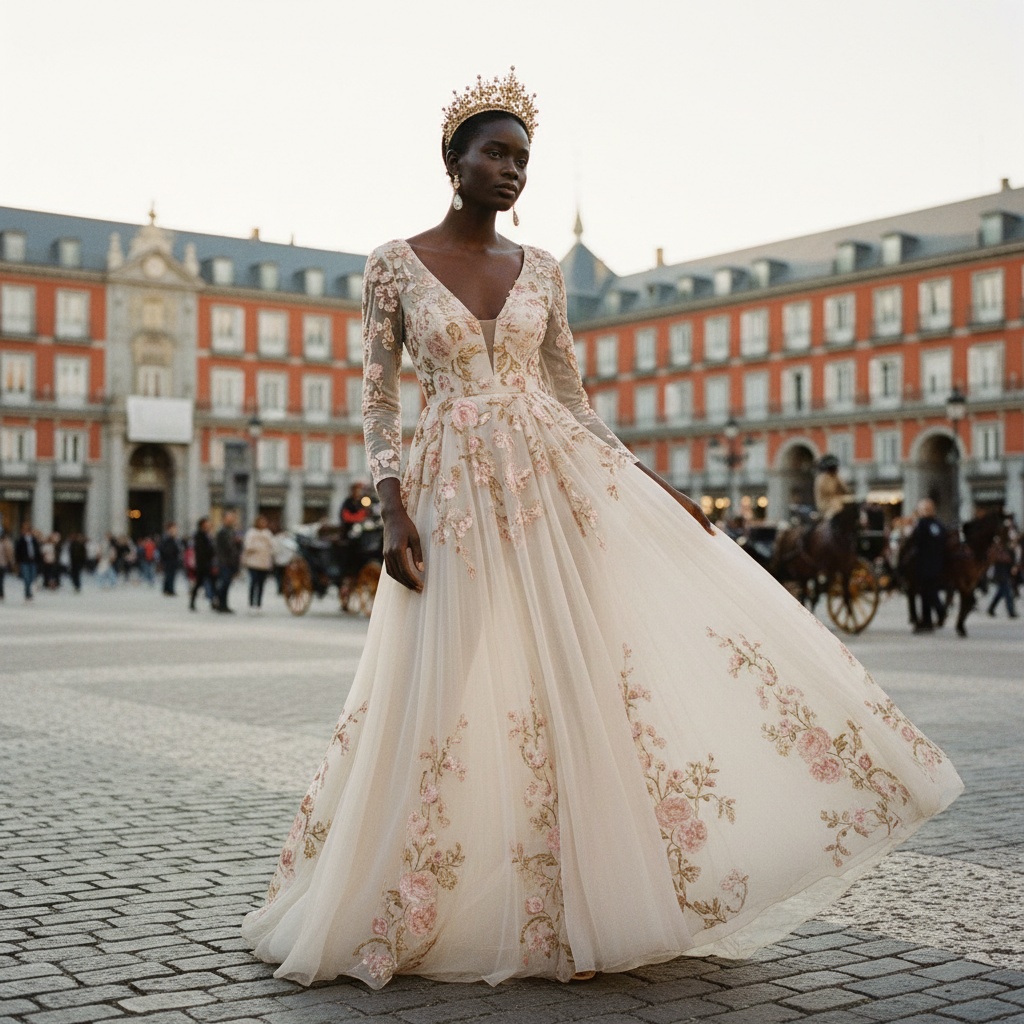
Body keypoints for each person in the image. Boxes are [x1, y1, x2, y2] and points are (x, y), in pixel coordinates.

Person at [241, 70, 962, 990]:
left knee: (577, 680)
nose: (511, 171)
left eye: (523, 160)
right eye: (495, 153)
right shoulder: (393, 264)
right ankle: (394, 896)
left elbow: (571, 398)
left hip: (553, 487)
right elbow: (379, 400)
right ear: (452, 161)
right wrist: (390, 508)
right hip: (451, 489)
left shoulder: (541, 269)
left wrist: (652, 482)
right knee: (437, 686)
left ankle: (595, 895)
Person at [907, 498, 947, 633]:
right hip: (937, 564)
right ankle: (928, 621)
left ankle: (932, 617)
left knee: (926, 594)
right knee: (931, 592)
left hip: (923, 565)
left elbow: (915, 542)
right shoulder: (938, 525)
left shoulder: (922, 524)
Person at [242, 514, 274, 613]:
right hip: (253, 562)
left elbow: (272, 546)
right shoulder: (251, 533)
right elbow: (248, 546)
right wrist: (259, 546)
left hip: (264, 562)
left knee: (261, 584)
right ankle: (251, 603)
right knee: (253, 582)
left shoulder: (268, 533)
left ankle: (259, 604)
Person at [214, 510, 241, 613]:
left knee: (227, 584)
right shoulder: (222, 531)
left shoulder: (232, 531)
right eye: (229, 518)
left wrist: (238, 543)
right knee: (224, 583)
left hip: (231, 562)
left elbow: (235, 547)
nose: (231, 520)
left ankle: (224, 604)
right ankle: (219, 602)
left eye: (232, 518)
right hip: (224, 562)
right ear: (224, 519)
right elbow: (222, 547)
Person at [986, 530, 1018, 618]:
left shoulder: (1007, 548)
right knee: (1008, 593)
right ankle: (1011, 612)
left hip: (1005, 573)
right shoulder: (997, 548)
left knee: (1000, 593)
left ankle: (991, 609)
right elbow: (994, 558)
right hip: (1000, 573)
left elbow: (1011, 559)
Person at [189, 517, 216, 611]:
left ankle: (213, 601)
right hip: (202, 564)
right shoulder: (199, 535)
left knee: (212, 583)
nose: (208, 525)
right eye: (207, 523)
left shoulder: (207, 535)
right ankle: (192, 602)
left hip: (208, 563)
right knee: (199, 583)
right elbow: (202, 551)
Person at [813, 455, 853, 519]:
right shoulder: (822, 478)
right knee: (835, 512)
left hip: (838, 502)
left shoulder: (835, 477)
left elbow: (845, 490)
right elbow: (829, 491)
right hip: (826, 505)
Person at [14, 522, 39, 601]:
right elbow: (17, 551)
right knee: (26, 577)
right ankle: (27, 593)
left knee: (32, 577)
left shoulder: (34, 540)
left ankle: (28, 591)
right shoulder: (21, 540)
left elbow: (37, 551)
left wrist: (38, 560)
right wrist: (17, 562)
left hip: (33, 561)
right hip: (24, 561)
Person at [158, 523, 182, 597]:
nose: (175, 530)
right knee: (169, 575)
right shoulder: (167, 538)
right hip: (169, 560)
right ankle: (170, 590)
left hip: (173, 560)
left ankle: (167, 589)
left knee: (170, 575)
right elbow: (164, 549)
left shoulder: (174, 539)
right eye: (173, 529)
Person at [0, 526, 14, 600]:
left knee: (1, 579)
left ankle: (1, 592)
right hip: (3, 564)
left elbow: (9, 553)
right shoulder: (6, 542)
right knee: (1, 579)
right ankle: (1, 593)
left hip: (2, 564)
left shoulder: (5, 543)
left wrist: (10, 561)